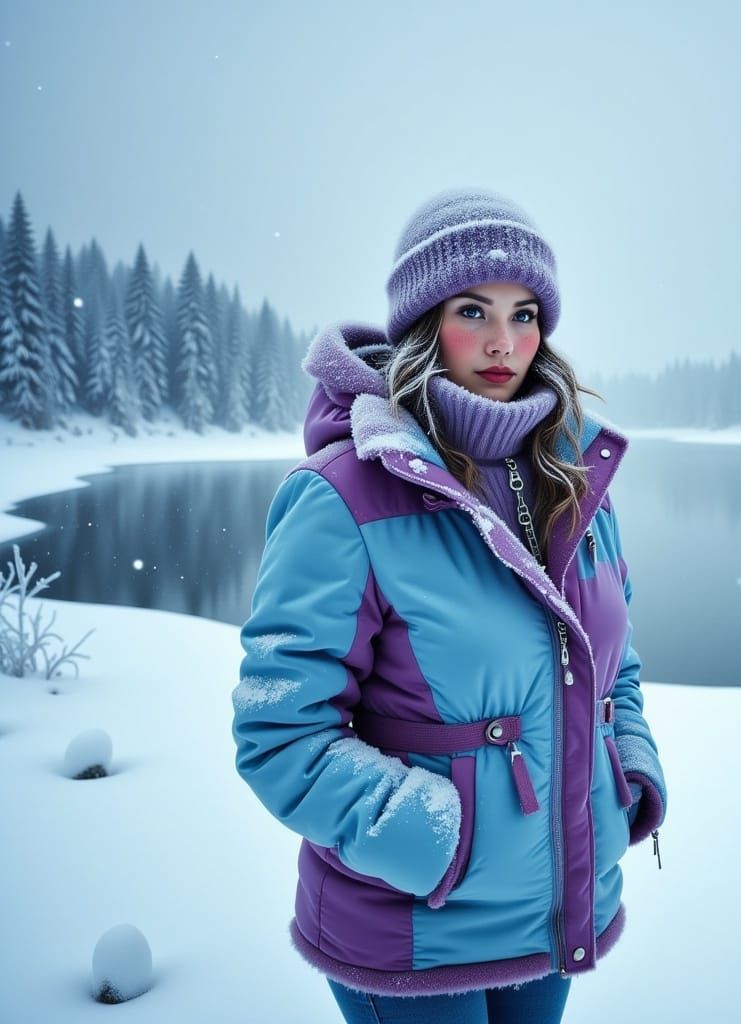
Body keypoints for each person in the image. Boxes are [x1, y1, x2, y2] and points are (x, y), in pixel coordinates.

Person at [232, 188, 667, 1024]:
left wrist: (630, 774)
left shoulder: (578, 482)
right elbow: (279, 729)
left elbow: (615, 667)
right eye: (474, 311)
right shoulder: (344, 495)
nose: (505, 342)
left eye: (524, 313)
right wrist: (437, 840)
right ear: (424, 323)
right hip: (411, 928)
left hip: (554, 914)